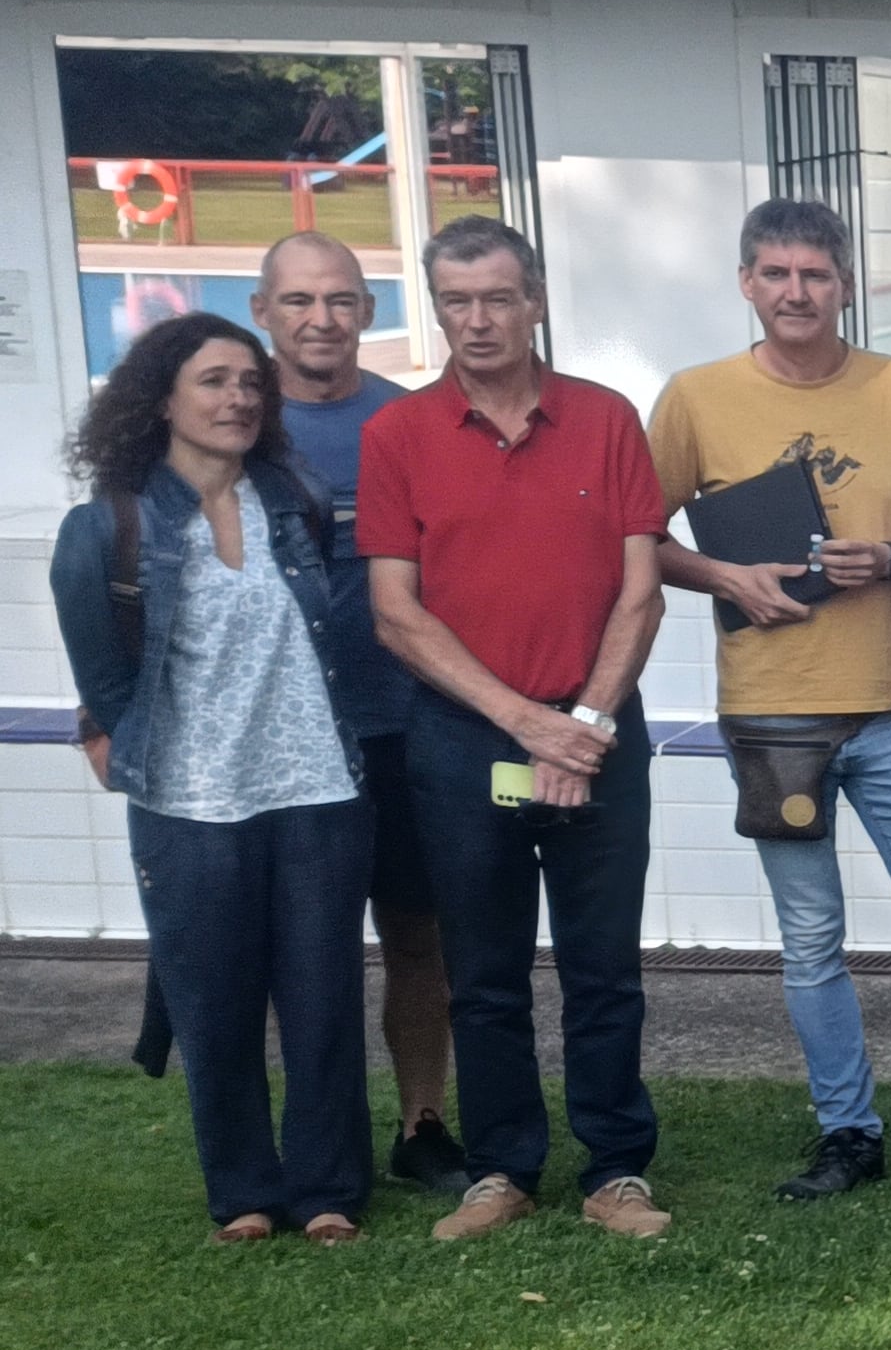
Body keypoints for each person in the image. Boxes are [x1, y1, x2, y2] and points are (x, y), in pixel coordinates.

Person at [649, 199, 891, 1208]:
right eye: (776, 273)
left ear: (845, 284)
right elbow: (638, 537)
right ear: (746, 282)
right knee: (814, 940)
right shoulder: (694, 399)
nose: (796, 291)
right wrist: (726, 576)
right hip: (774, 713)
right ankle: (847, 1133)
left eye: (815, 275)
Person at [359, 218, 671, 1243]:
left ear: (535, 300)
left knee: (602, 967)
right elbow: (397, 612)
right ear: (435, 307)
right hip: (468, 748)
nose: (477, 319)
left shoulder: (606, 418)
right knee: (483, 973)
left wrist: (582, 722)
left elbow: (641, 591)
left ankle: (617, 1167)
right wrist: (526, 723)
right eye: (456, 300)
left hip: (599, 743)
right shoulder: (398, 435)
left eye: (497, 297)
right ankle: (500, 1168)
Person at [52, 313, 371, 1243]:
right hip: (189, 802)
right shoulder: (107, 526)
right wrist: (130, 757)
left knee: (322, 999)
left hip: (317, 787)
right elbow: (103, 680)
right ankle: (243, 1193)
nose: (238, 398)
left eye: (250, 383)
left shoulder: (295, 498)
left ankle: (327, 1192)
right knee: (213, 1003)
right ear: (161, 400)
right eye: (214, 381)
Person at [250, 231, 460, 1198]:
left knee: (419, 935)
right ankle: (319, 1140)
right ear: (265, 314)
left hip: (405, 726)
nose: (320, 319)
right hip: (285, 741)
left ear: (369, 312)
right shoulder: (229, 425)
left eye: (339, 300)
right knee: (307, 948)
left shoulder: (412, 424)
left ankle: (424, 1123)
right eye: (298, 301)